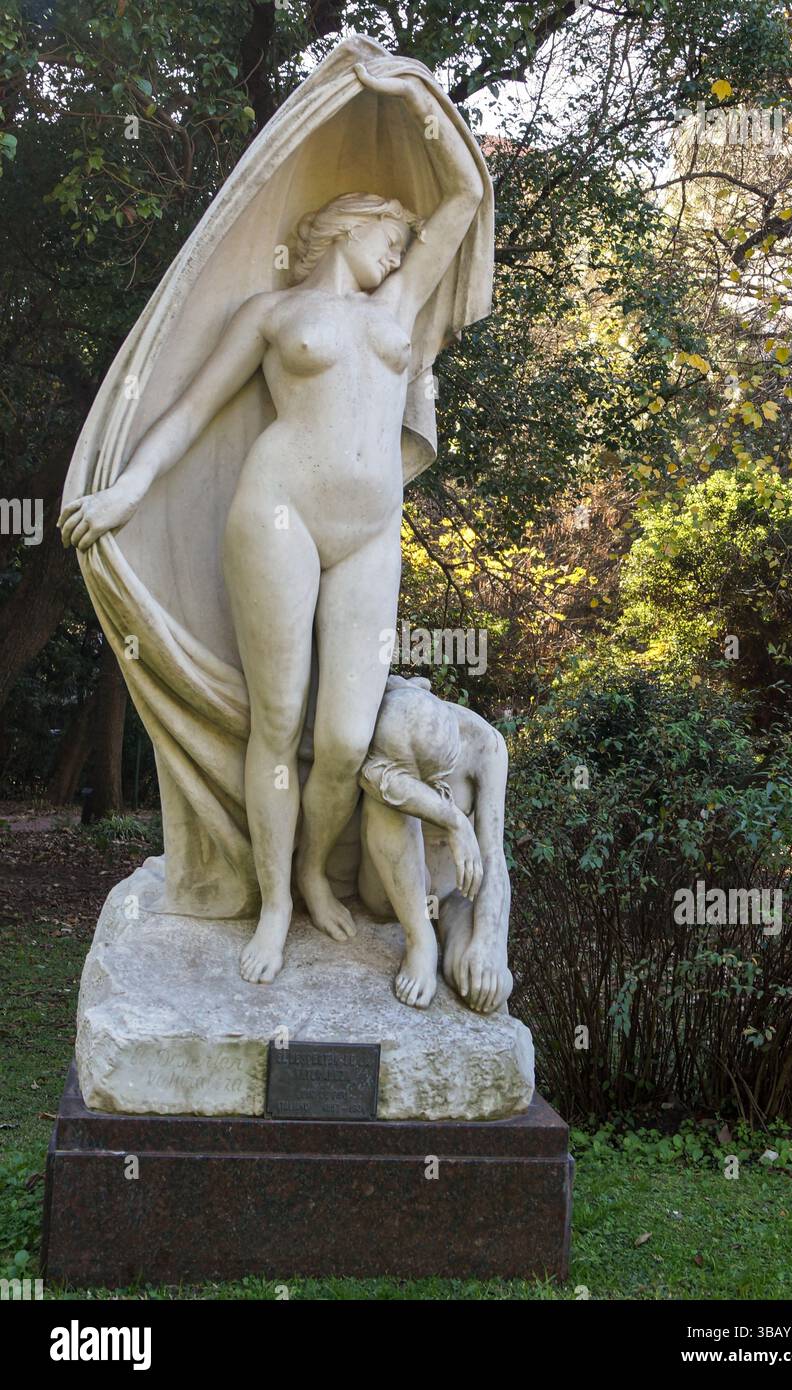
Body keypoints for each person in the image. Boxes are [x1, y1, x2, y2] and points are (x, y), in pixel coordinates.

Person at [59, 57, 485, 985]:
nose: (399, 254)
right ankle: (279, 902)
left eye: (405, 246)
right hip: (278, 514)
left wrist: (410, 89)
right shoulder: (270, 312)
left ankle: (312, 871)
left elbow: (464, 194)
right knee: (278, 718)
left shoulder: (399, 304)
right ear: (350, 225)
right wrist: (130, 488)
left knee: (344, 741)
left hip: (368, 533)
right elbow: (189, 413)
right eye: (389, 237)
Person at [358, 675, 513, 1013]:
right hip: (390, 890)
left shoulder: (485, 745)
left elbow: (492, 854)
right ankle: (420, 941)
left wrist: (490, 943)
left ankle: (460, 945)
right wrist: (453, 819)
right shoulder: (381, 713)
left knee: (479, 981)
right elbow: (374, 777)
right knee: (384, 804)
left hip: (452, 893)